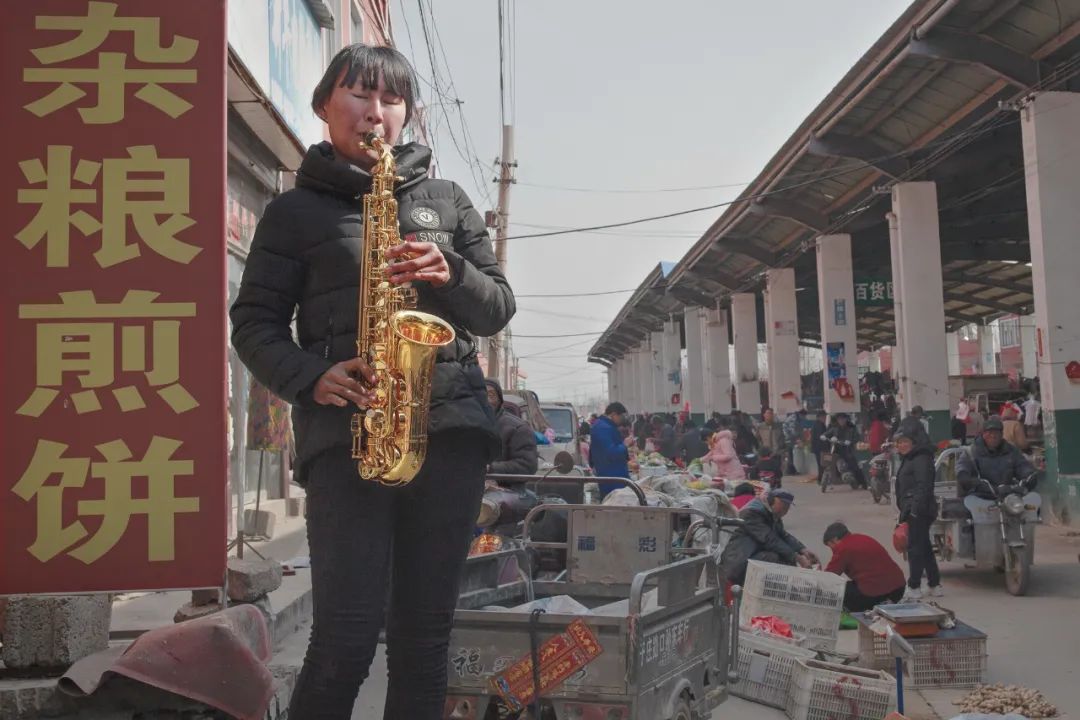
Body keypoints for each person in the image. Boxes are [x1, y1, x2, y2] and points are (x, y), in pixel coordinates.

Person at [229, 45, 514, 719]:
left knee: (424, 640)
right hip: (346, 438)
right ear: (324, 106)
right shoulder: (293, 213)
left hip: (450, 436)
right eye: (359, 95)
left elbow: (498, 307)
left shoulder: (448, 202)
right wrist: (311, 377)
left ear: (407, 113)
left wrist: (452, 272)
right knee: (345, 637)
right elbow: (254, 324)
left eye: (391, 100)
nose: (375, 112)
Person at [719, 489, 818, 584]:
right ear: (772, 501)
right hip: (740, 561)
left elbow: (783, 535)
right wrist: (797, 557)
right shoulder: (752, 513)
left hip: (755, 554)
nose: (785, 510)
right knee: (775, 559)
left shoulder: (772, 513)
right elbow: (769, 539)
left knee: (786, 560)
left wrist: (802, 550)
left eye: (788, 507)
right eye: (784, 506)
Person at [893, 426, 943, 600]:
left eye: (905, 442)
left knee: (914, 548)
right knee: (924, 546)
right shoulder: (910, 458)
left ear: (914, 442)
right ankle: (934, 584)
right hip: (914, 508)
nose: (901, 445)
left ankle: (914, 586)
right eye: (899, 442)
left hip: (919, 510)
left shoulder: (921, 459)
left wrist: (914, 510)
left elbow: (924, 486)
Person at [823, 523, 906, 611]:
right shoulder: (863, 538)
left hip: (874, 593)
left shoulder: (842, 548)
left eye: (830, 546)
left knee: (837, 591)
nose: (832, 550)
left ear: (835, 539)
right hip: (898, 589)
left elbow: (829, 576)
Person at [956, 415, 1037, 500]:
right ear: (983, 434)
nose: (993, 436)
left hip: (1008, 497)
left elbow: (1022, 466)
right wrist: (967, 478)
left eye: (996, 433)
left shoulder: (1012, 451)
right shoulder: (971, 452)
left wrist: (1029, 476)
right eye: (989, 432)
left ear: (1002, 434)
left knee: (1033, 502)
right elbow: (962, 469)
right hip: (980, 497)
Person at [485, 379, 538, 476]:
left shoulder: (518, 428)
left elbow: (527, 466)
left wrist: (491, 468)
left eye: (491, 395)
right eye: (481, 396)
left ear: (499, 400)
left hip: (505, 484)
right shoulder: (466, 427)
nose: (487, 400)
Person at [589, 402, 632, 498]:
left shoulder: (603, 426)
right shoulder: (603, 428)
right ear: (613, 415)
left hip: (609, 474)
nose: (622, 419)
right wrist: (625, 445)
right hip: (612, 477)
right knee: (614, 501)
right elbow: (611, 453)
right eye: (621, 416)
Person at [821, 413, 866, 488]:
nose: (841, 421)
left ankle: (862, 483)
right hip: (836, 451)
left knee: (855, 467)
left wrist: (850, 441)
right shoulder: (835, 428)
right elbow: (827, 433)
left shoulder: (851, 428)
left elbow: (857, 438)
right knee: (832, 463)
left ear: (846, 419)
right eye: (839, 419)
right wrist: (823, 436)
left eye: (843, 419)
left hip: (848, 451)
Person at [782, 409, 807, 474]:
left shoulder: (797, 418)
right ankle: (789, 471)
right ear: (801, 414)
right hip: (788, 438)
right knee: (790, 454)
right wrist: (798, 440)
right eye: (804, 416)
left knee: (790, 454)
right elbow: (793, 431)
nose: (804, 418)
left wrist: (801, 438)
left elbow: (799, 430)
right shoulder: (794, 419)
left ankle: (791, 470)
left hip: (790, 438)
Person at [810, 410, 829, 483]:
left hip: (817, 448)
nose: (825, 418)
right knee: (822, 464)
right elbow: (821, 437)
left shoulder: (816, 424)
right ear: (820, 417)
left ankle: (821, 479)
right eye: (824, 417)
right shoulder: (820, 425)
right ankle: (821, 479)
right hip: (820, 448)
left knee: (821, 464)